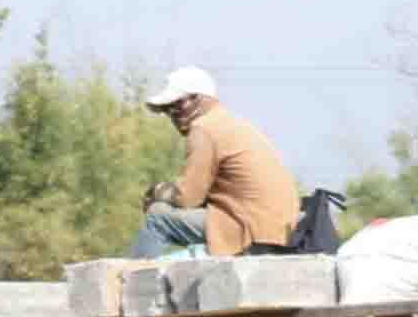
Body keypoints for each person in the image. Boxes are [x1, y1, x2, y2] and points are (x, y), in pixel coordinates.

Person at [128, 64, 302, 259]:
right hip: (279, 227)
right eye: (167, 109)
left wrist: (161, 193)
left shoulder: (204, 129)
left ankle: (131, 274)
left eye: (177, 105)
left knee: (158, 216)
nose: (172, 114)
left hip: (250, 227)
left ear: (198, 99)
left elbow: (188, 199)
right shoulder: (231, 123)